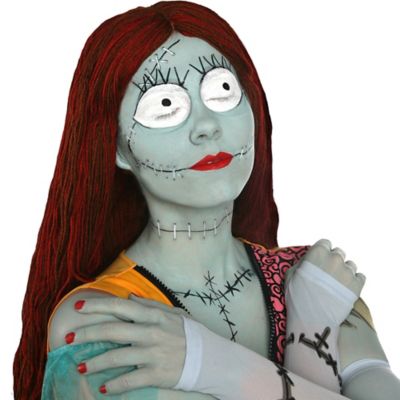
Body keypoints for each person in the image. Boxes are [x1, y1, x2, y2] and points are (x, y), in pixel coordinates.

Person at [13, 1, 400, 399]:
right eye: (165, 106)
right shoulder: (99, 319)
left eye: (222, 91)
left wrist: (208, 362)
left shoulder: (315, 278)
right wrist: (308, 345)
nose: (206, 126)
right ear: (116, 147)